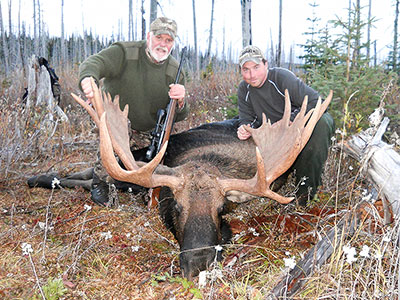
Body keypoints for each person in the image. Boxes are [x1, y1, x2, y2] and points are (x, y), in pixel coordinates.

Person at [78, 17, 189, 206]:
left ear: (173, 43)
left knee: (155, 167)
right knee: (113, 142)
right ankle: (100, 182)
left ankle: (123, 174)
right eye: (159, 37)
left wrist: (181, 102)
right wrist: (88, 79)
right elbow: (94, 63)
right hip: (115, 120)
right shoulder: (124, 52)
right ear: (149, 36)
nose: (163, 44)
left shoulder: (174, 70)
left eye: (168, 40)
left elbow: (179, 115)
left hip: (147, 130)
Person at [236, 45, 334, 205]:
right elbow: (248, 119)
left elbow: (317, 101)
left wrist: (291, 120)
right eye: (246, 70)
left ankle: (305, 198)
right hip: (277, 135)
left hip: (304, 124)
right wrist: (245, 128)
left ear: (265, 64)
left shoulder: (281, 78)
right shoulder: (244, 89)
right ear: (240, 71)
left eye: (256, 67)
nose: (252, 75)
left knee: (321, 124)